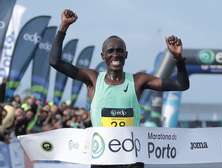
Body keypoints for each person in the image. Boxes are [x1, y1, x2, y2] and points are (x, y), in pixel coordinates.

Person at [49, 9, 189, 168]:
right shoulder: (93, 79)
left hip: (131, 160)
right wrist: (63, 28)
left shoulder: (138, 81)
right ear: (103, 56)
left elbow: (181, 85)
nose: (115, 54)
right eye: (111, 51)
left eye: (120, 51)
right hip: (102, 159)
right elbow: (55, 61)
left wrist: (178, 59)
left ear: (126, 55)